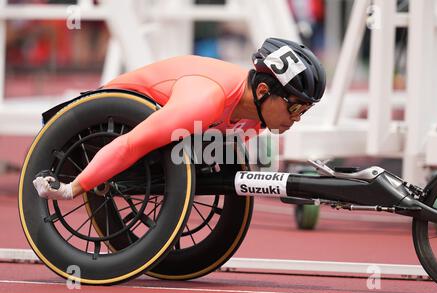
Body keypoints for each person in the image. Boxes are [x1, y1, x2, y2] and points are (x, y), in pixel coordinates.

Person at [33, 37, 326, 200]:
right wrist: (72, 189)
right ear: (263, 90)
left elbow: (206, 162)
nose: (297, 119)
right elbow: (131, 145)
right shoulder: (206, 99)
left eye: (305, 112)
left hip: (162, 134)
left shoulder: (254, 119)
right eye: (295, 108)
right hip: (100, 130)